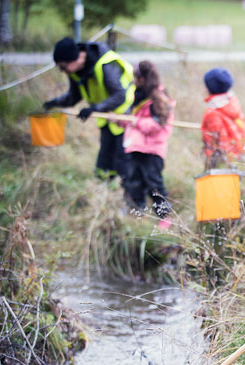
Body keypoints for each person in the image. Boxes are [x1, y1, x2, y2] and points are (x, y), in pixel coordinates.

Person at [43, 37, 135, 182]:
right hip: (107, 117)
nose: (63, 71)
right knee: (105, 156)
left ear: (76, 58)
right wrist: (54, 103)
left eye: (63, 67)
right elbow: (73, 97)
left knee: (122, 158)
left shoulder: (105, 64)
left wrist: (95, 109)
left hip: (126, 115)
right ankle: (104, 187)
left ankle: (130, 195)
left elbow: (120, 95)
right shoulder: (76, 71)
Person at [122, 61, 174, 229]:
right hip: (135, 147)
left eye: (136, 77)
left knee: (154, 184)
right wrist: (121, 120)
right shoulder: (138, 95)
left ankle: (164, 218)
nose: (134, 80)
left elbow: (157, 125)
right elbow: (132, 119)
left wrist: (135, 122)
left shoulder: (159, 98)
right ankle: (137, 216)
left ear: (142, 78)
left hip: (152, 149)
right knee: (133, 183)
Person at [201, 68, 245, 170]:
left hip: (223, 161)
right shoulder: (233, 103)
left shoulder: (212, 113)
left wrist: (214, 160)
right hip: (239, 155)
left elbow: (219, 140)